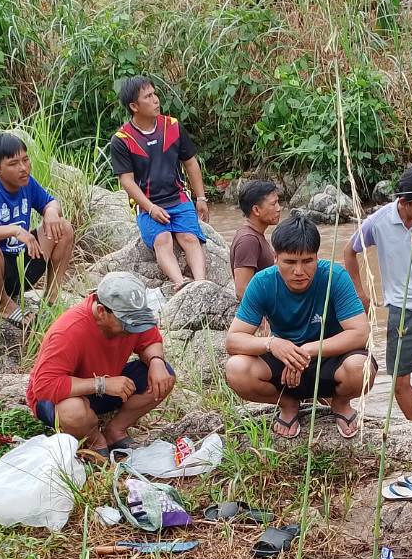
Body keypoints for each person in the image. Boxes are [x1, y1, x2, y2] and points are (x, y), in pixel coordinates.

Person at [224, 213, 375, 441]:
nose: (299, 271)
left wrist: (305, 351)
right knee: (236, 369)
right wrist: (272, 344)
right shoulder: (262, 283)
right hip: (283, 365)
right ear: (275, 258)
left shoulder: (335, 277)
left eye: (307, 261)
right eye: (290, 262)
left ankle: (341, 403)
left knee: (360, 367)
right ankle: (289, 404)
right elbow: (233, 341)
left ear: (317, 257)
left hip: (329, 360)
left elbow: (361, 333)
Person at [343, 164, 412, 426]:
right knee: (400, 380)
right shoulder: (378, 223)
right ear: (403, 202)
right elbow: (349, 251)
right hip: (402, 312)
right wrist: (360, 292)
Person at [26, 273, 176, 458]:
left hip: (104, 388)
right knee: (73, 410)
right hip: (59, 399)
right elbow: (44, 387)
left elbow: (150, 340)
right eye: (126, 323)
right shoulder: (69, 331)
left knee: (165, 376)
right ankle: (94, 439)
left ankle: (115, 430)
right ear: (102, 312)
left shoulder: (131, 316)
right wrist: (102, 384)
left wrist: (156, 361)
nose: (132, 329)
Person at [0, 132, 75, 328]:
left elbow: (50, 202)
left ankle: (52, 299)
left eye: (25, 159)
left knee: (63, 227)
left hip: (23, 263)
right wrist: (12, 230)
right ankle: (4, 306)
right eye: (13, 164)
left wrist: (51, 211)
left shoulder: (27, 184)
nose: (23, 168)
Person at [108, 76, 209, 292]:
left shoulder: (172, 126)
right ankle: (179, 283)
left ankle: (201, 285)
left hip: (179, 198)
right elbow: (126, 180)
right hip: (147, 204)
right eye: (148, 96)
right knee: (163, 240)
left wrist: (200, 198)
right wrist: (150, 208)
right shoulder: (122, 139)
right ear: (134, 106)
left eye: (154, 94)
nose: (155, 100)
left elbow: (190, 163)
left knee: (189, 237)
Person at [229, 179, 281, 298]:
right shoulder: (248, 240)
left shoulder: (254, 235)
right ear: (256, 210)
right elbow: (242, 290)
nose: (279, 208)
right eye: (274, 204)